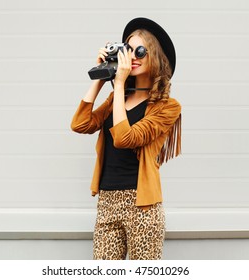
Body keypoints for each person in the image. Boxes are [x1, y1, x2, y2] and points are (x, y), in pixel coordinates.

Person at [71, 17, 181, 260]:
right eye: (128, 50)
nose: (133, 56)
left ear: (156, 57)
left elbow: (124, 138)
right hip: (107, 201)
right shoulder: (115, 100)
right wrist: (102, 76)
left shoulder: (167, 107)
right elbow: (80, 124)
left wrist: (119, 84)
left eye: (140, 50)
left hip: (142, 206)